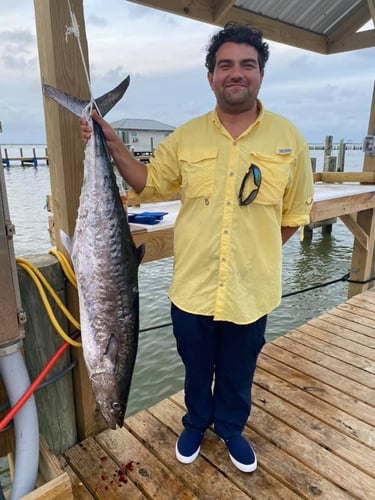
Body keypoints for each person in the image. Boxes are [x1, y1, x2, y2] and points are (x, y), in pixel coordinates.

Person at [80, 22, 314, 473]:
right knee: (195, 365)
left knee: (237, 370)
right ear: (210, 77)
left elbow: (294, 216)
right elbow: (149, 182)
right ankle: (195, 422)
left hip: (251, 289)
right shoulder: (187, 137)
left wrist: (257, 252)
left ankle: (230, 427)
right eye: (225, 65)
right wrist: (111, 145)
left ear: (261, 73)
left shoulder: (290, 140)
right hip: (193, 288)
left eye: (247, 65)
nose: (236, 73)